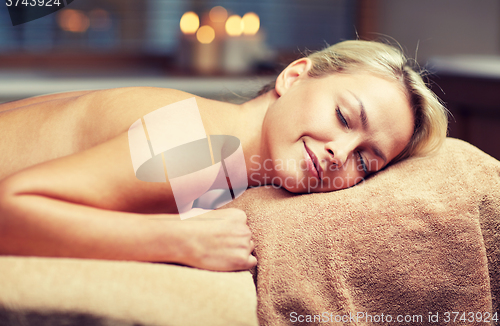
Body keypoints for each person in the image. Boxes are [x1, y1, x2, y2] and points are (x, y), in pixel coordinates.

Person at [0, 40, 448, 271]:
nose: (341, 153)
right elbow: (9, 210)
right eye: (344, 117)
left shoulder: (225, 155)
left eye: (366, 162)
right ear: (294, 76)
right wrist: (182, 239)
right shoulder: (204, 142)